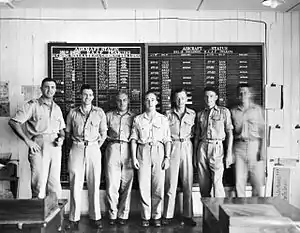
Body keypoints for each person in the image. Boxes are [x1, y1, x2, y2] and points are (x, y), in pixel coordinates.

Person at [8, 78, 65, 199]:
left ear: (55, 90)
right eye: (47, 87)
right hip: (39, 144)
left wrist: (62, 138)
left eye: (53, 87)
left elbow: (62, 130)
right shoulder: (33, 105)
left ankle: (54, 215)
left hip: (55, 146)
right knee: (39, 183)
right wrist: (27, 141)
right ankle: (38, 215)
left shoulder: (57, 108)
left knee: (54, 183)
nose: (50, 90)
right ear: (41, 89)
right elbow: (14, 122)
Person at [65, 84, 107, 230]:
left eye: (90, 95)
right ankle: (74, 218)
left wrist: (95, 147)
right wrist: (78, 146)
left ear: (93, 96)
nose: (87, 97)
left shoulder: (99, 112)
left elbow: (103, 134)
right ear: (80, 96)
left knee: (94, 183)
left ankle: (95, 217)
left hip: (94, 148)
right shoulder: (73, 113)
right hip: (77, 147)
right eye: (84, 94)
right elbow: (68, 133)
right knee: (75, 183)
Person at [130, 91, 171, 227]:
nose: (150, 102)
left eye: (152, 99)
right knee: (143, 185)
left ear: (157, 102)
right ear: (144, 102)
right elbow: (134, 140)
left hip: (158, 151)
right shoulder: (138, 119)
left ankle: (156, 216)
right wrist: (134, 157)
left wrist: (167, 157)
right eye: (147, 99)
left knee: (158, 185)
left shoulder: (163, 119)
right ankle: (145, 216)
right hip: (143, 151)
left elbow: (167, 140)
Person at [163, 88, 196, 226]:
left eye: (182, 98)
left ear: (186, 99)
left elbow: (195, 132)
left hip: (187, 146)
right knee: (171, 183)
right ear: (173, 99)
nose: (180, 101)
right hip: (173, 146)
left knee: (188, 183)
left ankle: (188, 215)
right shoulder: (167, 114)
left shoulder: (192, 114)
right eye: (177, 98)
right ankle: (168, 215)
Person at [194, 86, 233, 198]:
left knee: (217, 183)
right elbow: (197, 136)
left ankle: (219, 213)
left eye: (211, 96)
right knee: (203, 184)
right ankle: (207, 213)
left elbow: (229, 133)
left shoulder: (224, 112)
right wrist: (195, 156)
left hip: (217, 147)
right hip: (202, 147)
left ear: (216, 97)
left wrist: (229, 152)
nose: (208, 99)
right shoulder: (200, 114)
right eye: (206, 96)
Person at [105, 91, 135, 226]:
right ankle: (112, 214)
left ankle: (123, 214)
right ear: (115, 102)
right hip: (113, 148)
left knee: (127, 184)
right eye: (119, 100)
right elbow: (102, 133)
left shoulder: (134, 117)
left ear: (128, 101)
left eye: (124, 100)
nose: (122, 103)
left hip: (129, 149)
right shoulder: (108, 116)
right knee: (112, 183)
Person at [231, 83, 265, 197]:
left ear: (250, 94)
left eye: (245, 92)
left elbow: (263, 132)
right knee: (238, 183)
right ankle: (241, 213)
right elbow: (230, 133)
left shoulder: (257, 110)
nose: (243, 95)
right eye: (240, 93)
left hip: (254, 146)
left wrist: (263, 151)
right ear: (237, 96)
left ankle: (257, 211)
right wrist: (230, 152)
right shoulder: (233, 112)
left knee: (257, 182)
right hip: (238, 147)